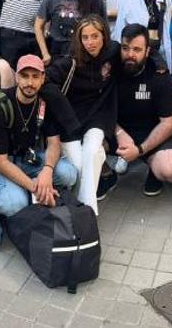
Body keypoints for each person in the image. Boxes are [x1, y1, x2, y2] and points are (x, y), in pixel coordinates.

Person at [0, 54, 80, 216]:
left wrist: (47, 171)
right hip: (1, 166)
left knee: (69, 174)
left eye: (35, 77)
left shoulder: (45, 101)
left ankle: (29, 192)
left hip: (29, 159)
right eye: (24, 76)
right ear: (16, 77)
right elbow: (1, 162)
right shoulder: (0, 105)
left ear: (43, 78)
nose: (30, 83)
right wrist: (37, 188)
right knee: (13, 204)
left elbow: (54, 143)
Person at [48, 15, 120, 212]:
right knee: (83, 165)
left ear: (104, 36)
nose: (90, 42)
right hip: (70, 119)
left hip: (98, 115)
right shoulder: (70, 61)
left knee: (91, 150)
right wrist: (65, 113)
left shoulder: (113, 51)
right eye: (85, 37)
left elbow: (139, 51)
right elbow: (45, 83)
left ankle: (86, 212)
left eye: (95, 36)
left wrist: (158, 62)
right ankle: (101, 182)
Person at [110, 24, 172, 196]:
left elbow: (170, 121)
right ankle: (106, 174)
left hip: (152, 134)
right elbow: (97, 109)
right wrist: (119, 133)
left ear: (148, 51)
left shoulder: (159, 74)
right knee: (86, 137)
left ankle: (154, 170)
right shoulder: (109, 68)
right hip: (116, 132)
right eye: (125, 48)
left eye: (137, 49)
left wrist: (140, 149)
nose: (130, 54)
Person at [36, 0, 105, 66]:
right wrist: (45, 54)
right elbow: (38, 26)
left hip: (86, 58)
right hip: (59, 57)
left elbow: (104, 31)